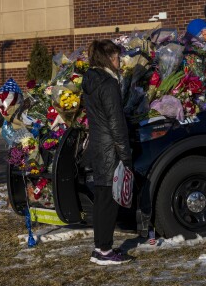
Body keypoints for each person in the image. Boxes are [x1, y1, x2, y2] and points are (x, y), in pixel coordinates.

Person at [83, 39, 134, 265]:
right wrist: (126, 155)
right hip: (110, 149)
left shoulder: (91, 80)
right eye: (115, 57)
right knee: (109, 201)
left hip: (98, 146)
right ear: (107, 59)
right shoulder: (108, 84)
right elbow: (116, 123)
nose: (118, 61)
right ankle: (105, 251)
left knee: (102, 200)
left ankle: (99, 248)